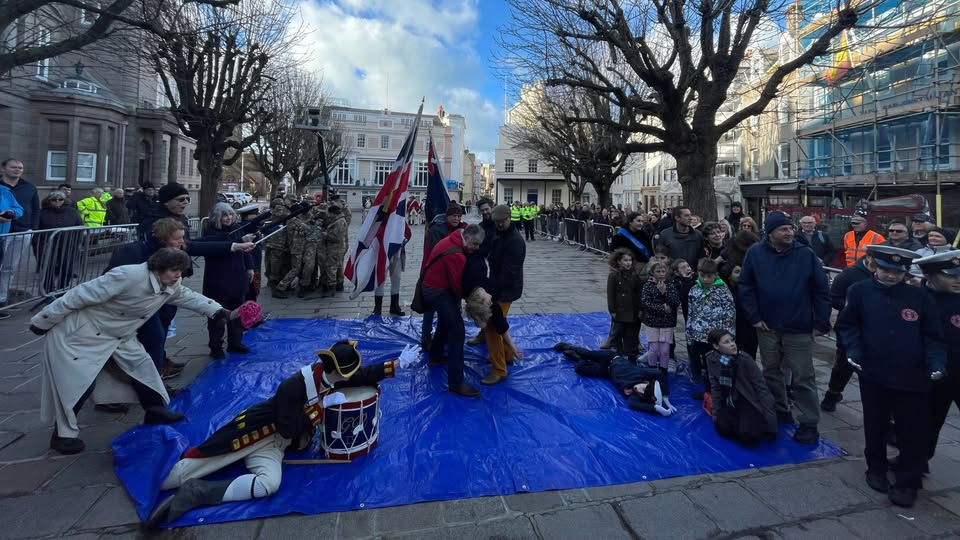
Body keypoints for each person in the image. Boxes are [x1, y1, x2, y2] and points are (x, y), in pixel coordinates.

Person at [146, 341, 421, 527]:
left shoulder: (333, 376)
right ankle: (161, 473)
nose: (350, 378)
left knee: (269, 485)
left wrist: (397, 365)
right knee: (169, 479)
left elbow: (362, 375)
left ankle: (199, 493)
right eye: (345, 374)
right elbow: (290, 426)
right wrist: (321, 407)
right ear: (333, 370)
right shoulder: (294, 386)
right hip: (250, 436)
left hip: (275, 446)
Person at [29, 248, 230, 455]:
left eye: (180, 270)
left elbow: (189, 297)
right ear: (157, 268)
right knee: (78, 386)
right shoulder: (128, 276)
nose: (178, 274)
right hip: (81, 335)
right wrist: (43, 321)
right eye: (173, 270)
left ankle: (155, 410)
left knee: (144, 368)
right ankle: (63, 436)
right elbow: (78, 295)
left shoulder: (171, 283)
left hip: (120, 334)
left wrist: (218, 311)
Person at [836, 245, 944, 508]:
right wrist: (855, 351)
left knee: (912, 430)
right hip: (874, 372)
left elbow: (933, 336)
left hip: (913, 375)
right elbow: (848, 325)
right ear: (875, 266)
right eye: (886, 269)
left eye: (898, 271)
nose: (892, 276)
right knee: (876, 424)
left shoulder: (919, 297)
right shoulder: (859, 291)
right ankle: (876, 468)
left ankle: (908, 480)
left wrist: (936, 362)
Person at [738, 211, 831, 445]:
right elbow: (746, 286)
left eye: (791, 228)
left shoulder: (805, 254)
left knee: (803, 375)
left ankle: (809, 422)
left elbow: (821, 289)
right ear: (770, 233)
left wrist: (821, 321)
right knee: (770, 370)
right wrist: (754, 317)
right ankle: (780, 409)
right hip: (767, 325)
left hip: (798, 326)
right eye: (783, 229)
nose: (789, 232)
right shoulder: (755, 254)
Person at [422, 224, 485, 397]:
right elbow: (457, 285)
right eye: (475, 244)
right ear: (469, 237)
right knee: (457, 330)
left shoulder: (454, 238)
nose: (476, 248)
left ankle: (435, 355)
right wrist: (471, 298)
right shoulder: (457, 254)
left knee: (445, 320)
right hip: (436, 291)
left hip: (432, 286)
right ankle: (456, 383)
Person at [915, 251, 960, 470]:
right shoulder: (917, 300)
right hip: (932, 374)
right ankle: (918, 461)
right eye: (951, 275)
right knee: (926, 422)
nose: (958, 280)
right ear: (930, 275)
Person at [555, 343, 676, 416]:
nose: (639, 389)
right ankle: (570, 347)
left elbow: (632, 404)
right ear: (646, 382)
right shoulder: (642, 374)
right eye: (643, 388)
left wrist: (656, 408)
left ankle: (576, 357)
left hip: (607, 372)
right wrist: (665, 397)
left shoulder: (634, 394)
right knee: (587, 354)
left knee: (580, 368)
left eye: (641, 393)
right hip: (611, 358)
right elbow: (659, 373)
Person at [199, 204, 255, 358]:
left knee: (238, 313)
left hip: (237, 277)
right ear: (217, 217)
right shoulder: (210, 233)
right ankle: (215, 346)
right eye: (225, 215)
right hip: (218, 279)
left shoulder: (237, 229)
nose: (228, 218)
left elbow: (245, 250)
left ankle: (235, 342)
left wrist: (250, 267)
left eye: (230, 214)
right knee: (217, 315)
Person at [705, 329, 778, 445]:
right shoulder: (711, 359)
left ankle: (754, 424)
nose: (732, 344)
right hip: (730, 400)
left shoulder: (744, 359)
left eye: (732, 340)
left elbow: (762, 388)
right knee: (723, 428)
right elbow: (716, 388)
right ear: (716, 346)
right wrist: (716, 414)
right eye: (726, 342)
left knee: (749, 437)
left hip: (747, 399)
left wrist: (771, 423)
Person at [479, 205, 526, 385]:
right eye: (496, 222)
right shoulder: (499, 234)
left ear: (509, 219)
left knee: (492, 327)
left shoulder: (515, 241)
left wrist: (491, 294)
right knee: (499, 324)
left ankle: (499, 370)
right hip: (497, 285)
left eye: (502, 222)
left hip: (506, 289)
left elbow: (509, 273)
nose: (499, 225)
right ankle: (506, 356)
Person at [686, 258, 736, 399]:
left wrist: (728, 338)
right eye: (703, 276)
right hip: (697, 335)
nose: (706, 279)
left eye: (709, 276)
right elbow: (691, 313)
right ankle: (707, 392)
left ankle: (716, 393)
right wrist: (689, 335)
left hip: (715, 338)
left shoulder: (723, 291)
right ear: (698, 274)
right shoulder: (694, 290)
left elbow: (730, 315)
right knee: (702, 364)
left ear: (716, 275)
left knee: (714, 367)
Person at [419, 201, 467, 349]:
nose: (456, 219)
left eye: (458, 216)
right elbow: (436, 253)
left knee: (450, 306)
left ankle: (443, 334)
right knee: (430, 308)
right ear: (447, 216)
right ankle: (426, 336)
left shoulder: (461, 229)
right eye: (453, 216)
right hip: (434, 273)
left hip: (452, 274)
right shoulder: (436, 230)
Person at [0, 158, 38, 312]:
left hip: (22, 231)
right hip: (2, 233)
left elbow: (35, 209)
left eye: (20, 168)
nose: (17, 170)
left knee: (10, 268)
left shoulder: (29, 187)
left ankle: (1, 299)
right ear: (3, 169)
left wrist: (33, 229)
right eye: (13, 167)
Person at [34, 191, 84, 293]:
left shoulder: (72, 212)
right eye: (54, 199)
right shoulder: (42, 213)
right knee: (48, 267)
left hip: (68, 243)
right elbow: (36, 229)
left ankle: (63, 289)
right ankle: (49, 291)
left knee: (67, 267)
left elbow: (80, 226)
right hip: (47, 244)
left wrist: (77, 242)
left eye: (60, 199)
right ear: (49, 201)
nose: (57, 202)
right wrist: (38, 245)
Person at [641, 260, 680, 373]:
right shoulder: (648, 285)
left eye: (663, 271)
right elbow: (645, 303)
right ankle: (652, 370)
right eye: (658, 271)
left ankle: (663, 370)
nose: (661, 274)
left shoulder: (670, 284)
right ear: (652, 272)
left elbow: (675, 301)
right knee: (653, 348)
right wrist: (662, 308)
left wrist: (664, 292)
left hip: (667, 322)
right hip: (652, 322)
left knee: (665, 349)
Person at [605, 248, 643, 358]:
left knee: (632, 334)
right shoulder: (613, 276)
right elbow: (610, 294)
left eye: (630, 260)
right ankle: (616, 353)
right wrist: (612, 310)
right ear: (618, 261)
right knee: (617, 333)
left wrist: (640, 309)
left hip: (633, 311)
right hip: (620, 311)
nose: (628, 263)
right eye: (625, 260)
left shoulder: (635, 276)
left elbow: (639, 293)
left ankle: (631, 354)